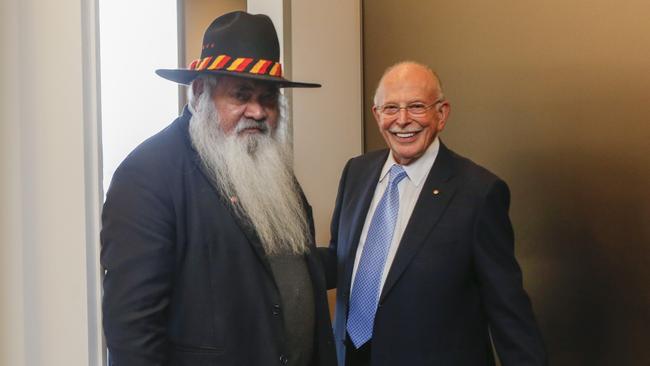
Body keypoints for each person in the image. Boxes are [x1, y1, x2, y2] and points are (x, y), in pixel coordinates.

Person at [101, 11, 336, 366]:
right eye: (241, 94)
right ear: (199, 93)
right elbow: (133, 334)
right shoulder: (147, 176)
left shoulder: (271, 170)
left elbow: (276, 269)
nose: (257, 111)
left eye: (268, 98)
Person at [321, 61, 547, 365]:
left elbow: (508, 310)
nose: (402, 120)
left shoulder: (479, 192)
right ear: (377, 115)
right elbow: (342, 257)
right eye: (391, 108)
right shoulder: (356, 172)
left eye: (416, 106)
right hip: (350, 356)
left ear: (441, 114)